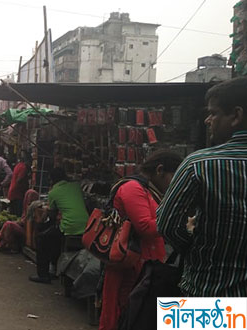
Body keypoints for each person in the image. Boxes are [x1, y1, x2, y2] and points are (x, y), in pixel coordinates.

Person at [158, 77, 247, 297]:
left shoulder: (198, 164)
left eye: (213, 113)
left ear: (236, 115)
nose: (208, 120)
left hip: (206, 292)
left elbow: (167, 225)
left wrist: (195, 248)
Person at [99, 151, 183, 330]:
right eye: (174, 177)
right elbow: (144, 226)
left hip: (146, 264)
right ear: (160, 170)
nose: (175, 184)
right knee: (128, 314)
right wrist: (179, 223)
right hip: (131, 265)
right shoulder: (133, 188)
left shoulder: (150, 191)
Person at [30, 167, 88, 284]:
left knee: (42, 239)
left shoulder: (54, 192)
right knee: (53, 237)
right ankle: (55, 268)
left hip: (70, 228)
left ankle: (43, 275)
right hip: (87, 225)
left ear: (51, 179)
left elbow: (51, 215)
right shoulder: (76, 186)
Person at [0, 189, 39, 253]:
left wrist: (17, 222)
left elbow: (25, 222)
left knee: (9, 224)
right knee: (9, 224)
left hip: (29, 235)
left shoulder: (34, 209)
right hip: (26, 232)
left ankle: (2, 242)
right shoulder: (28, 209)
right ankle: (5, 244)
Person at [7, 151, 30, 217]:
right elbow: (19, 180)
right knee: (17, 214)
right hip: (17, 194)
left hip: (13, 192)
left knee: (13, 214)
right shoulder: (23, 167)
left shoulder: (18, 165)